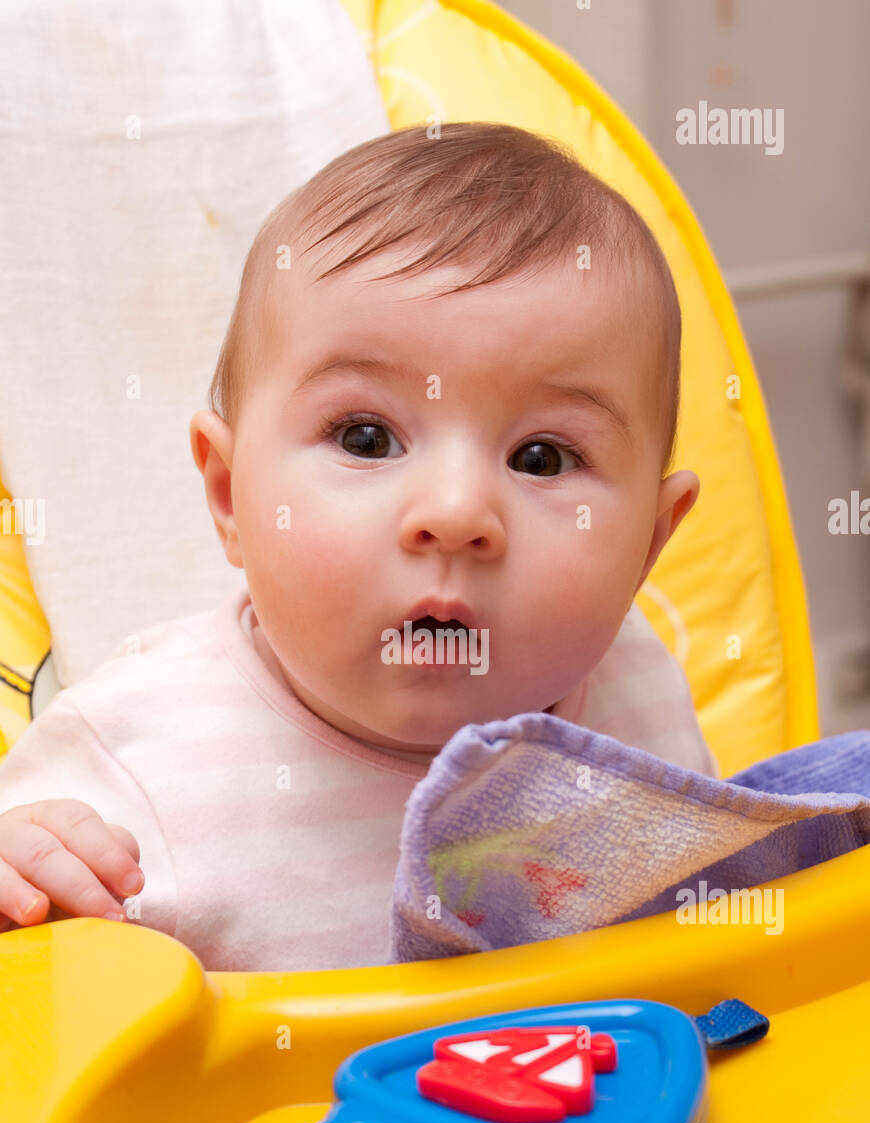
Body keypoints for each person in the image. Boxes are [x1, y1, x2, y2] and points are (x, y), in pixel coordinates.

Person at [0, 122, 714, 970]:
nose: (455, 514)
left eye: (542, 458)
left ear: (649, 545)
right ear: (231, 495)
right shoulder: (140, 755)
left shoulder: (641, 697)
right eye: (367, 438)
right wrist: (22, 890)